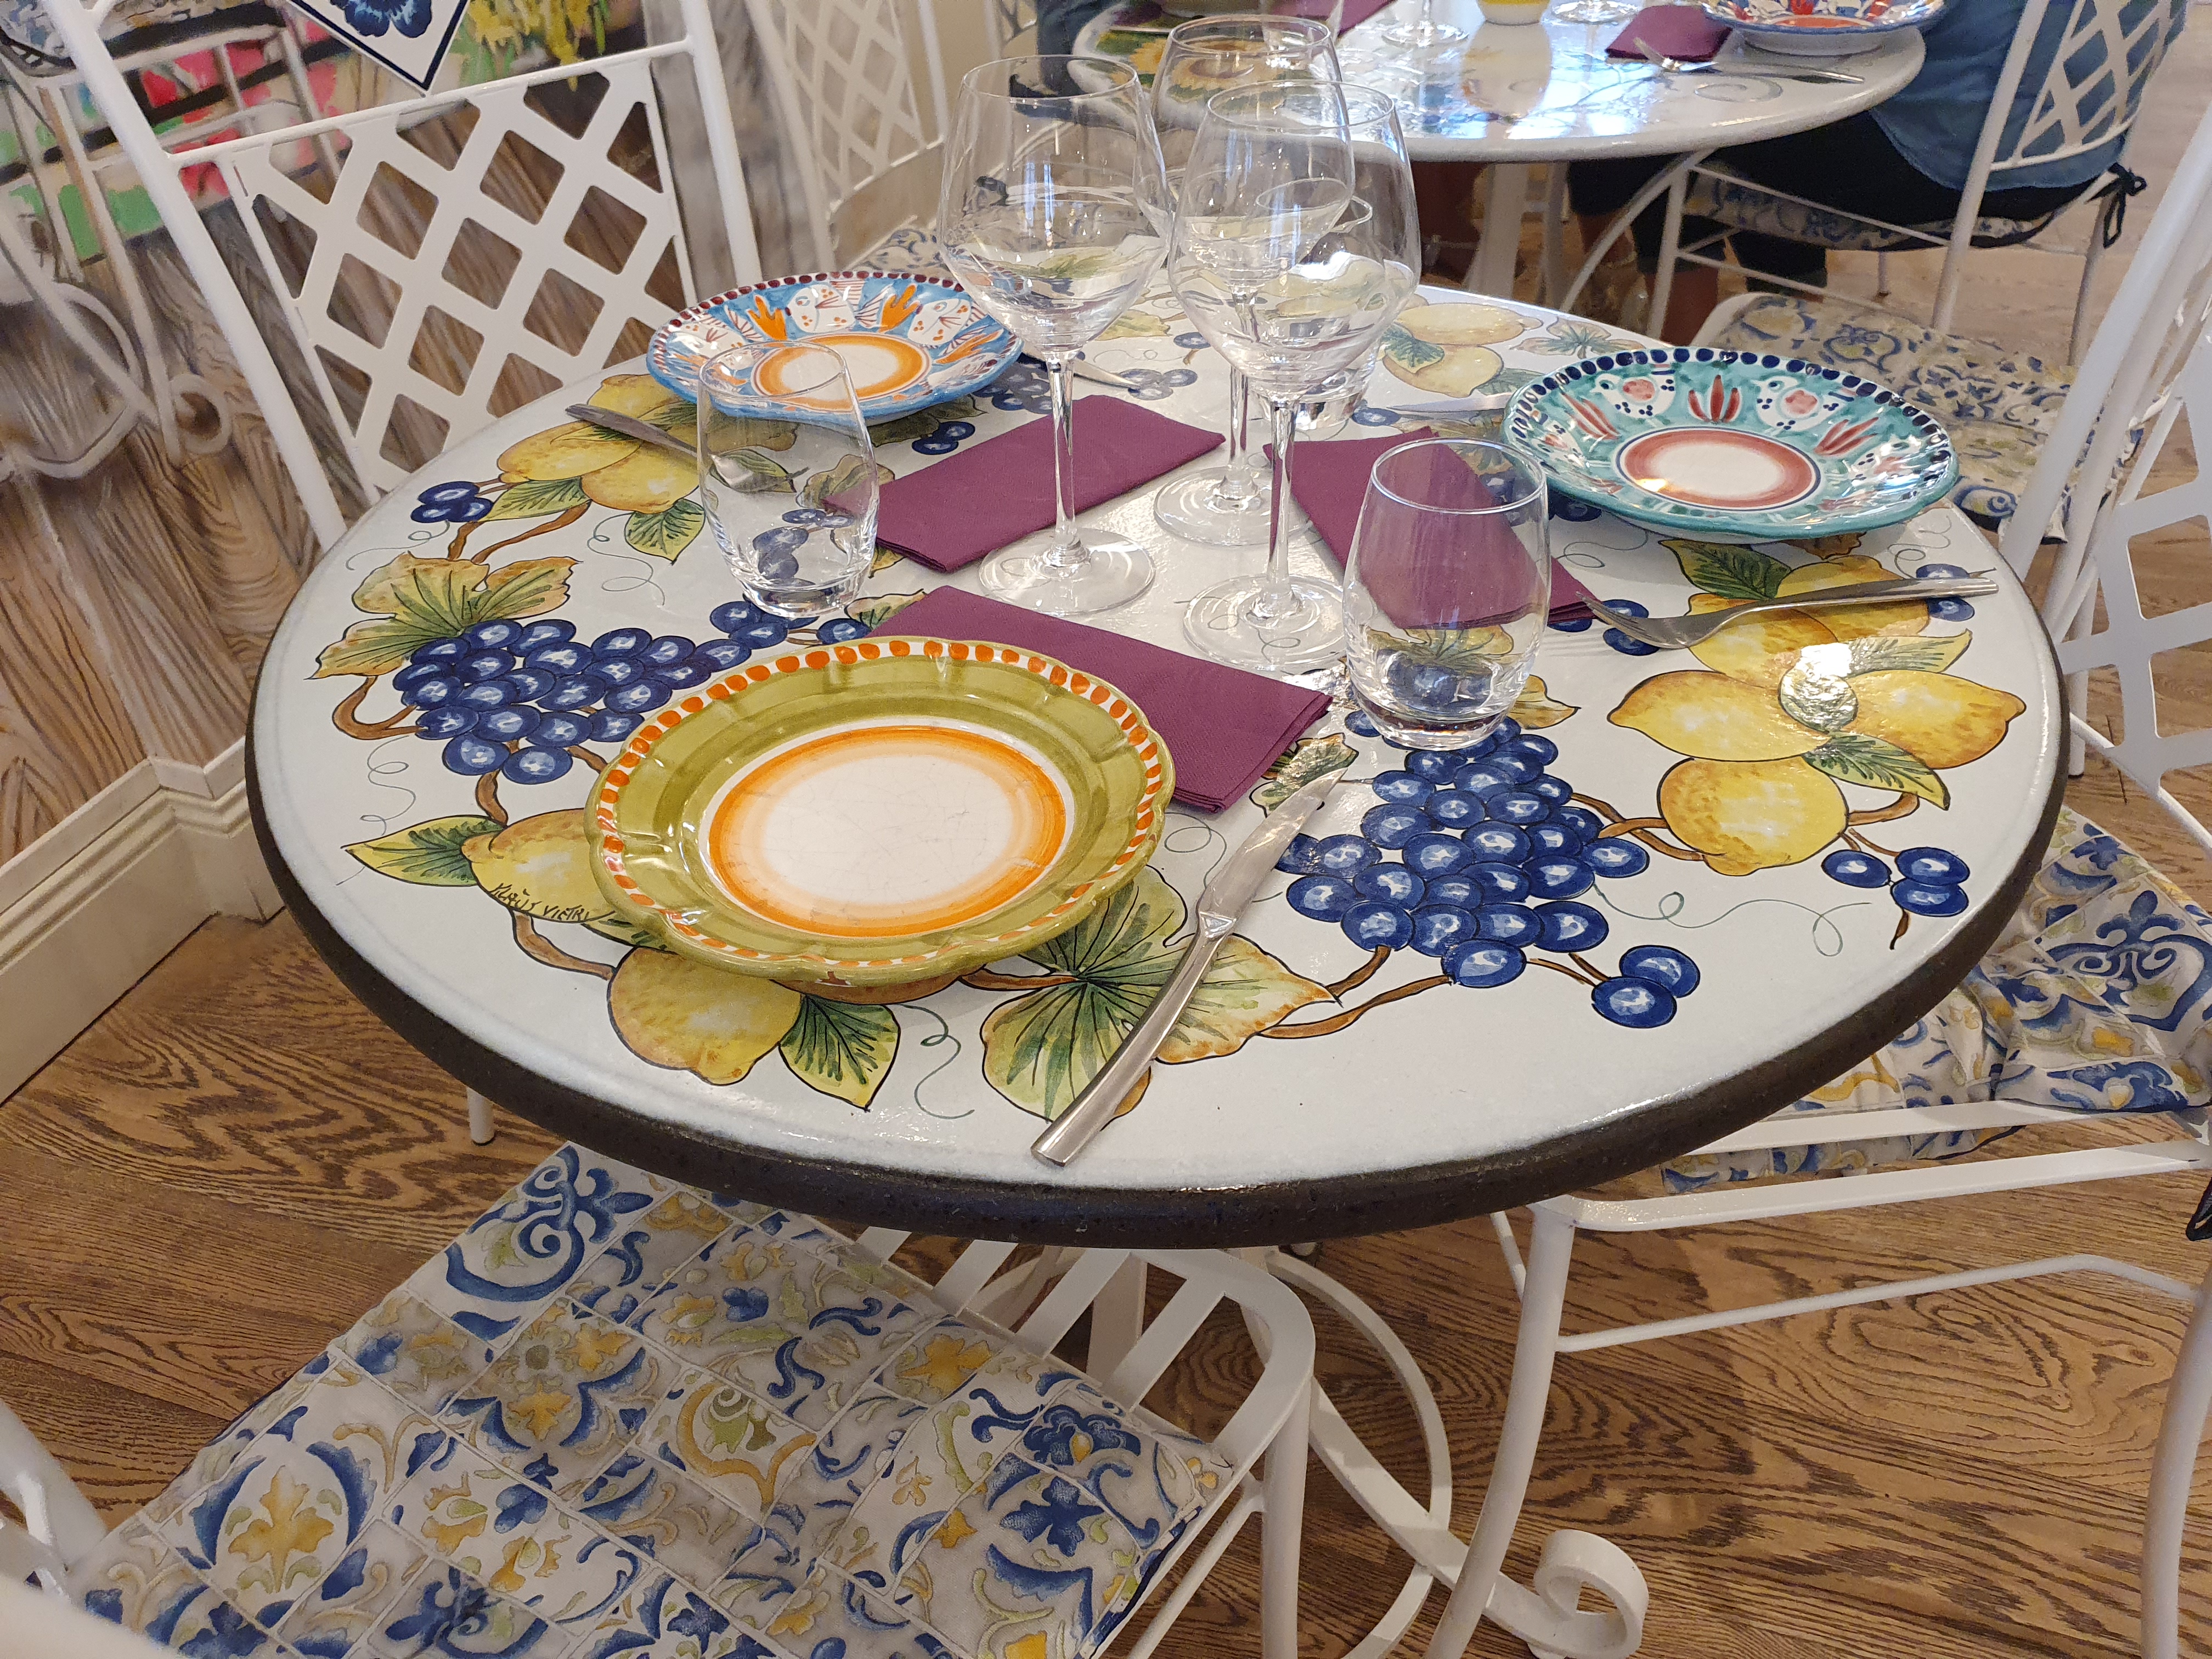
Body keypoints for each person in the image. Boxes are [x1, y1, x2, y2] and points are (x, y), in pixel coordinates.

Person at [1567, 0, 2146, 341]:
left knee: (1690, 129)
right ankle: (1784, 320)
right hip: (2077, 161)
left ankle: (1675, 364)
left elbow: (1852, 16)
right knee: (1768, 113)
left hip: (1940, 167)